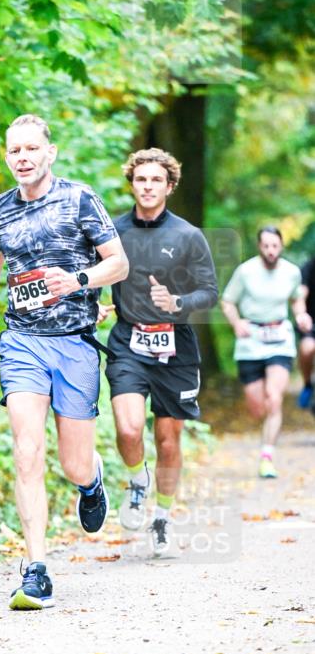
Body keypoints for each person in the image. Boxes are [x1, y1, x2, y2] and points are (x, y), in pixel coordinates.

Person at [0, 114, 129, 611]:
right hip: (22, 342)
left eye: (32, 149)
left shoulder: (79, 199)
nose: (23, 158)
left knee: (72, 463)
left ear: (49, 153)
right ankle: (36, 568)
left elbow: (118, 263)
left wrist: (79, 280)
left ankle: (92, 479)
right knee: (26, 449)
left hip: (75, 342)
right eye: (14, 150)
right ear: (6, 156)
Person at [102, 148, 218, 557]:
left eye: (156, 180)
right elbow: (100, 274)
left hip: (176, 348)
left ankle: (163, 519)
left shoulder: (188, 236)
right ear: (132, 184)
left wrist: (178, 303)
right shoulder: (113, 233)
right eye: (141, 179)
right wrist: (99, 306)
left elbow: (210, 292)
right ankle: (137, 481)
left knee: (168, 441)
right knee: (129, 429)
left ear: (169, 186)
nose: (148, 186)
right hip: (129, 343)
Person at [221, 227, 312, 477]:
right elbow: (228, 301)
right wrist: (237, 323)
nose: (271, 251)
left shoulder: (291, 272)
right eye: (266, 246)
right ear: (259, 247)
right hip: (251, 340)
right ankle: (265, 438)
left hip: (279, 338)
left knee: (274, 398)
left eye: (275, 246)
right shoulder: (246, 271)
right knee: (257, 407)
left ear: (281, 246)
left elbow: (296, 299)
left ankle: (267, 455)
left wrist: (301, 315)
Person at [296, 253, 315, 410]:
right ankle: (307, 383)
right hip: (310, 324)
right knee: (307, 348)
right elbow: (301, 293)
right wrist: (301, 314)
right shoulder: (309, 267)